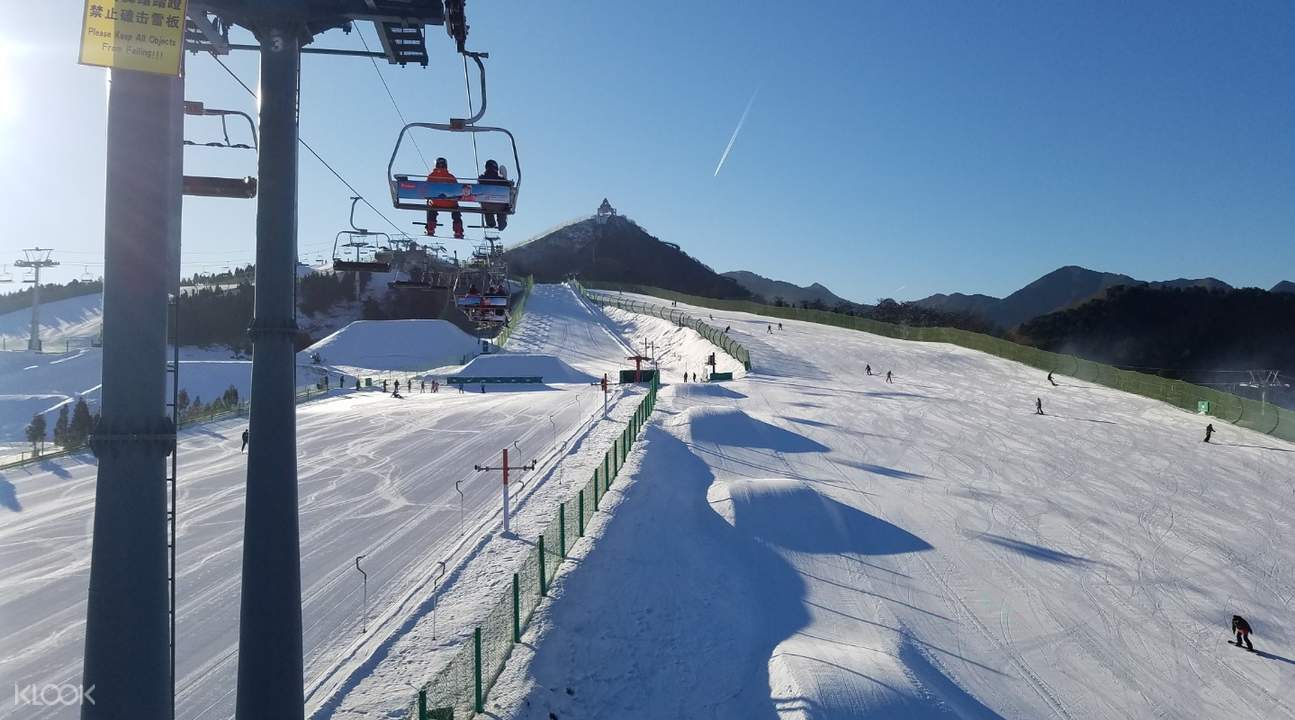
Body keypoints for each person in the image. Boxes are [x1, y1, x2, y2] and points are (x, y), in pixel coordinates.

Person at [425, 157, 464, 239]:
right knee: (456, 212)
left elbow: (426, 188)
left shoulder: (431, 176)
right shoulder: (450, 177)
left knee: (431, 209)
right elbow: (457, 190)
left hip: (436, 202)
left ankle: (430, 228)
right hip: (450, 203)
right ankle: (458, 231)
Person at [478, 159, 510, 231]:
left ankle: (490, 222)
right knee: (502, 207)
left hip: (487, 205)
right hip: (500, 205)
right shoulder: (500, 180)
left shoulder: (482, 178)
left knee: (486, 207)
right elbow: (508, 186)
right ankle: (502, 223)